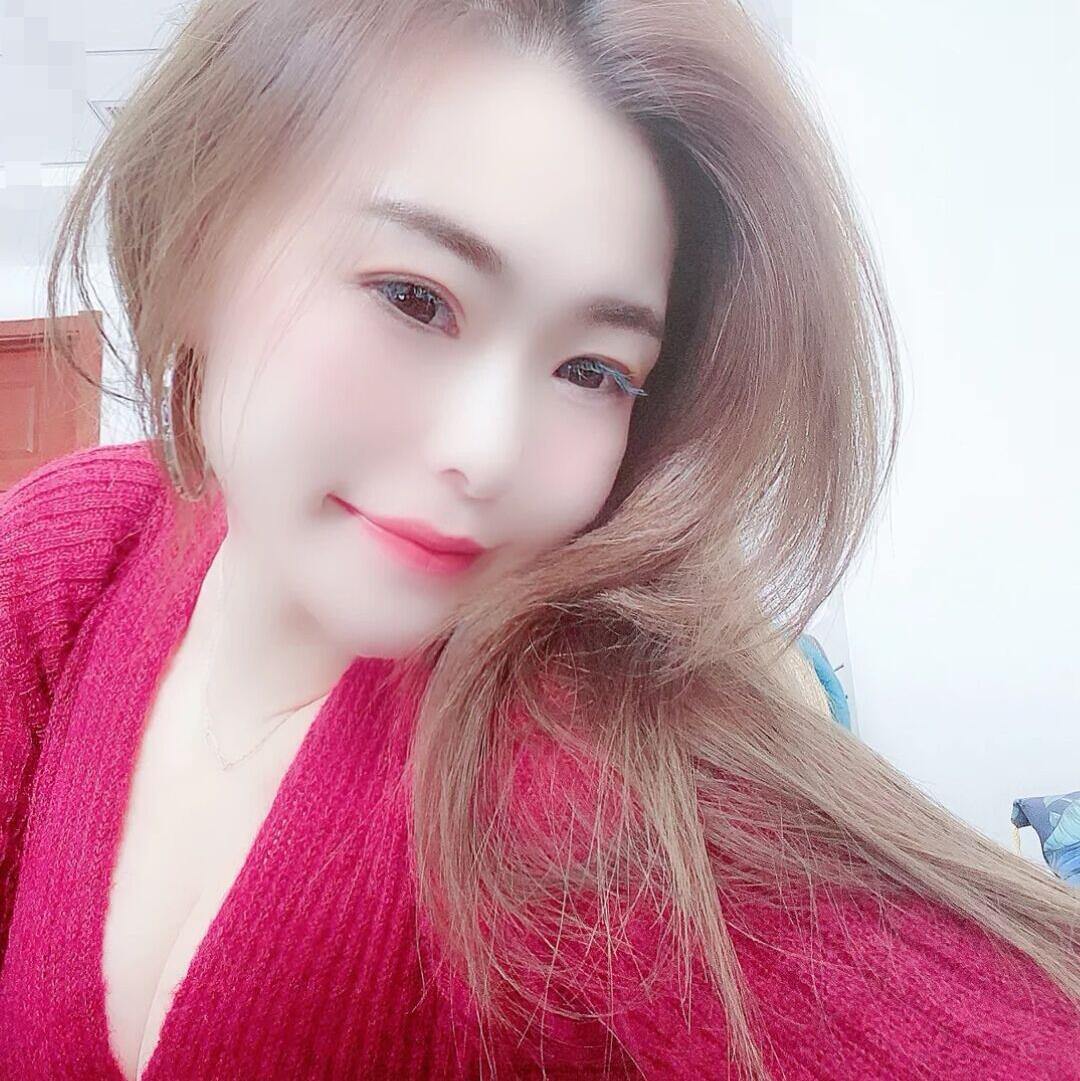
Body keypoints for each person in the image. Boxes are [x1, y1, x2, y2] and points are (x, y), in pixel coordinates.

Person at [1, 0, 1077, 1078]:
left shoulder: (568, 776)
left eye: (593, 370)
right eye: (416, 298)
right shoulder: (73, 553)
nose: (488, 452)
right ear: (199, 239)